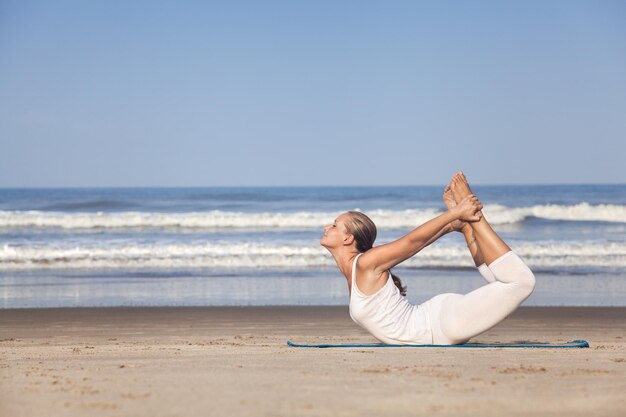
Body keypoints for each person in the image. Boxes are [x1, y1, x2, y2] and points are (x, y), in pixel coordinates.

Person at [320, 172, 535, 345]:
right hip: (441, 320)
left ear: (348, 238)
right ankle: (468, 225)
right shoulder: (356, 270)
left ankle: (473, 212)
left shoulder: (366, 263)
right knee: (504, 283)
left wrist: (456, 213)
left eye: (334, 225)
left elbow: (411, 243)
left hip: (442, 324)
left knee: (522, 282)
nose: (327, 227)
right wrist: (452, 223)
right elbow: (419, 243)